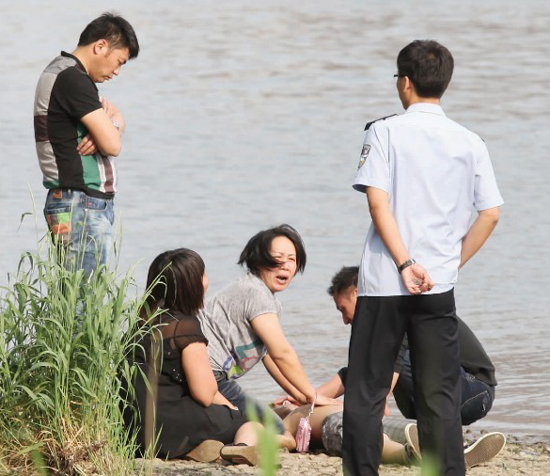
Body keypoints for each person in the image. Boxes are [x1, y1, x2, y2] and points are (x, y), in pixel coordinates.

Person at [343, 40, 503, 476]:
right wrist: (449, 265)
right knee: (440, 395)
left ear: (405, 82)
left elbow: (378, 203)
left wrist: (403, 263)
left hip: (384, 283)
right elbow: (490, 214)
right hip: (438, 287)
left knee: (367, 393)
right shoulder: (470, 141)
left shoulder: (384, 131)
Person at [123, 248, 266, 465]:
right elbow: (204, 393)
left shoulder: (139, 325)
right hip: (167, 426)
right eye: (203, 275)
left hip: (132, 429)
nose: (206, 281)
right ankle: (240, 449)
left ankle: (194, 449)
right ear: (192, 286)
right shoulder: (184, 326)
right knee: (249, 423)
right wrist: (232, 409)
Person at [198, 224, 339, 435]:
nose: (286, 265)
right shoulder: (256, 293)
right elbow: (282, 353)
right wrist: (313, 394)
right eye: (278, 257)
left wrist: (299, 394)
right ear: (258, 261)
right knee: (275, 430)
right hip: (209, 375)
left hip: (213, 376)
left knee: (267, 420)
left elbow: (269, 356)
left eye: (292, 259)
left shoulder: (266, 299)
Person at [34, 13, 139, 279]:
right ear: (100, 46)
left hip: (73, 201)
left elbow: (108, 136)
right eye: (119, 62)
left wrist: (111, 125)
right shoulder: (73, 78)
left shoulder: (63, 73)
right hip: (80, 203)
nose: (117, 71)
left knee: (76, 299)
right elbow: (113, 145)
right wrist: (115, 124)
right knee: (84, 302)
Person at [326, 266, 497, 426]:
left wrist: (378, 402)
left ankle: (443, 436)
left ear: (357, 294)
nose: (344, 320)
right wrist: (313, 397)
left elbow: (393, 360)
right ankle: (429, 434)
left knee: (393, 360)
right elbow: (357, 371)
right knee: (373, 364)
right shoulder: (376, 325)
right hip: (445, 394)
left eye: (342, 309)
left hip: (476, 391)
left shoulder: (397, 310)